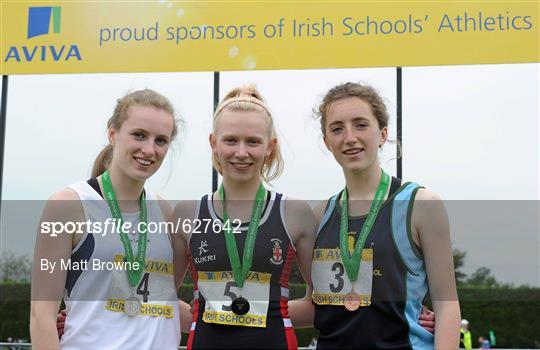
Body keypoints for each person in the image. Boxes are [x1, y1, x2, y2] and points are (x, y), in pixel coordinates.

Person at [306, 82, 461, 348]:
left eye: (361, 124)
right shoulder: (320, 215)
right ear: (327, 142)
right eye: (337, 128)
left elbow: (447, 307)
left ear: (382, 133)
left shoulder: (421, 204)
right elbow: (312, 306)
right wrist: (230, 305)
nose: (350, 137)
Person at [30, 89, 184, 349]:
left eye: (161, 140)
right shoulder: (67, 205)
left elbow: (161, 301)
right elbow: (41, 316)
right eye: (139, 135)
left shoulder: (163, 211)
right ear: (112, 133)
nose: (149, 149)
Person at [171, 86, 317, 349]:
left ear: (270, 146)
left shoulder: (296, 213)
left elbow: (321, 303)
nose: (241, 152)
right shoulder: (187, 213)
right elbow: (159, 298)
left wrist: (268, 311)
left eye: (252, 141)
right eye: (230, 140)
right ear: (213, 143)